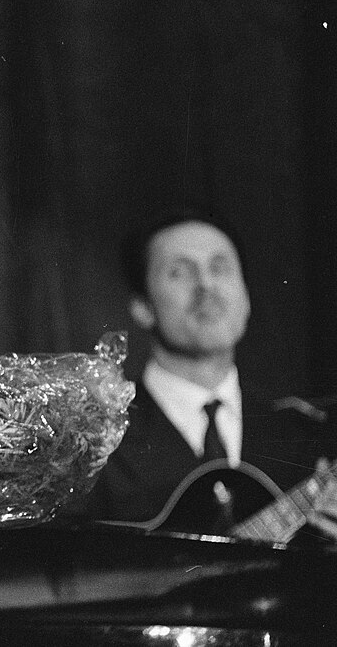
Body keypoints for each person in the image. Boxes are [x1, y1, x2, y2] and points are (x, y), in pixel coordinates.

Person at [85, 208, 337, 544]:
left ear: (245, 297)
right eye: (180, 272)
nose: (206, 286)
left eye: (220, 268)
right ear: (142, 307)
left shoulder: (308, 433)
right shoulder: (96, 443)